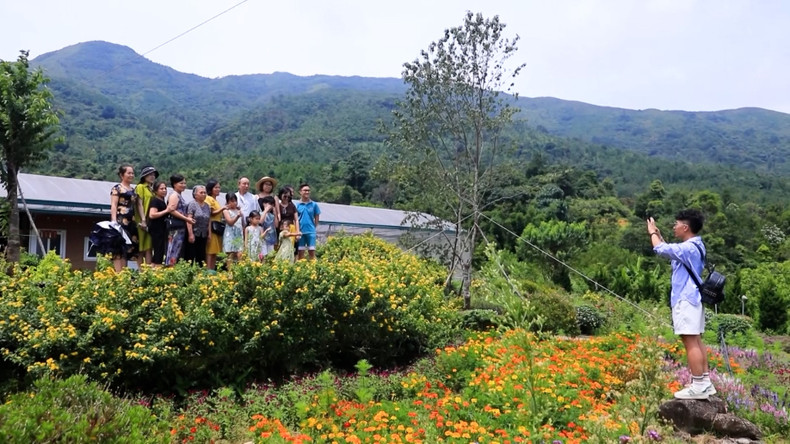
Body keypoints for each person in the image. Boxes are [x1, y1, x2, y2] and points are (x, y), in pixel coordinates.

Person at [648, 209, 715, 399]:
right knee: (696, 339)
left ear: (685, 227)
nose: (674, 226)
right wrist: (660, 236)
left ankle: (698, 386)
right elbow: (669, 248)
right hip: (694, 298)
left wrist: (652, 233)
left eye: (676, 224)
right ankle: (704, 382)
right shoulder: (696, 246)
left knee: (689, 340)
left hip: (685, 299)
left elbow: (660, 249)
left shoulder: (687, 248)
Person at [109, 164, 139, 272]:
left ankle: (127, 273)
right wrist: (114, 221)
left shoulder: (134, 190)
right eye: (129, 173)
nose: (131, 175)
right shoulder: (117, 188)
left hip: (132, 221)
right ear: (122, 175)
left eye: (132, 173)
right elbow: (113, 205)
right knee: (119, 247)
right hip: (120, 220)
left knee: (131, 247)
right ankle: (118, 274)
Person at [165, 174, 194, 266]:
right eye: (181, 183)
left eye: (184, 183)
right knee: (173, 249)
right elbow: (171, 210)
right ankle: (170, 270)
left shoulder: (179, 195)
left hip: (180, 226)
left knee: (177, 250)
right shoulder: (174, 195)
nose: (183, 185)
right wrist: (186, 218)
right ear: (174, 184)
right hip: (175, 227)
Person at [134, 165, 158, 265]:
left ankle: (147, 272)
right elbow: (139, 203)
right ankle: (140, 271)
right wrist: (143, 219)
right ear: (144, 176)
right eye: (149, 175)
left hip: (151, 222)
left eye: (153, 175)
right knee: (141, 247)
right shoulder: (140, 187)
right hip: (141, 221)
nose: (152, 177)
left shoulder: (152, 190)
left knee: (149, 247)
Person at [185, 185, 211, 266]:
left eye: (205, 193)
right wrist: (190, 234)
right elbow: (188, 219)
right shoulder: (192, 204)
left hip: (203, 234)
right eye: (201, 192)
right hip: (194, 233)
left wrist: (209, 234)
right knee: (190, 256)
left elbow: (209, 220)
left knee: (201, 257)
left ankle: (200, 274)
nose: (203, 194)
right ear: (195, 194)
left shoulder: (207, 206)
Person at [295, 183, 320, 260]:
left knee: (312, 252)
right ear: (300, 192)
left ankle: (313, 268)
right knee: (300, 253)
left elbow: (317, 217)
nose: (307, 192)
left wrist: (313, 227)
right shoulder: (297, 205)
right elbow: (295, 219)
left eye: (308, 190)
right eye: (305, 190)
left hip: (311, 232)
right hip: (300, 232)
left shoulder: (314, 204)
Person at [147, 181, 169, 266]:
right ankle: (156, 271)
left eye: (165, 188)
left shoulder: (162, 201)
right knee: (158, 251)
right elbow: (152, 215)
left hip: (161, 229)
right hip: (156, 229)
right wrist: (167, 211)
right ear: (156, 191)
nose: (164, 190)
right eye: (161, 189)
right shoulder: (155, 201)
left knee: (159, 251)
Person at [205, 179, 226, 270]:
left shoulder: (216, 200)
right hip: (211, 227)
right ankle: (208, 269)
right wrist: (223, 208)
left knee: (214, 251)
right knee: (210, 250)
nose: (218, 189)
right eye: (216, 187)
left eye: (219, 187)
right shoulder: (208, 198)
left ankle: (212, 270)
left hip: (217, 227)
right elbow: (211, 213)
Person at [222, 193, 244, 265]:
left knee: (240, 253)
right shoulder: (226, 211)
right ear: (228, 202)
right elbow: (230, 223)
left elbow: (243, 223)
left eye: (235, 201)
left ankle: (240, 271)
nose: (234, 203)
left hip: (239, 234)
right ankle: (230, 273)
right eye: (232, 201)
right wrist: (237, 216)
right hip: (230, 234)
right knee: (230, 254)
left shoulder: (239, 210)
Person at [260, 195, 278, 260]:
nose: (270, 206)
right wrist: (265, 210)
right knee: (263, 256)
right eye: (269, 204)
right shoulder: (260, 213)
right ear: (264, 204)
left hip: (271, 239)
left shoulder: (272, 216)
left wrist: (275, 215)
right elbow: (260, 222)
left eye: (272, 205)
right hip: (263, 239)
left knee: (270, 256)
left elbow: (276, 225)